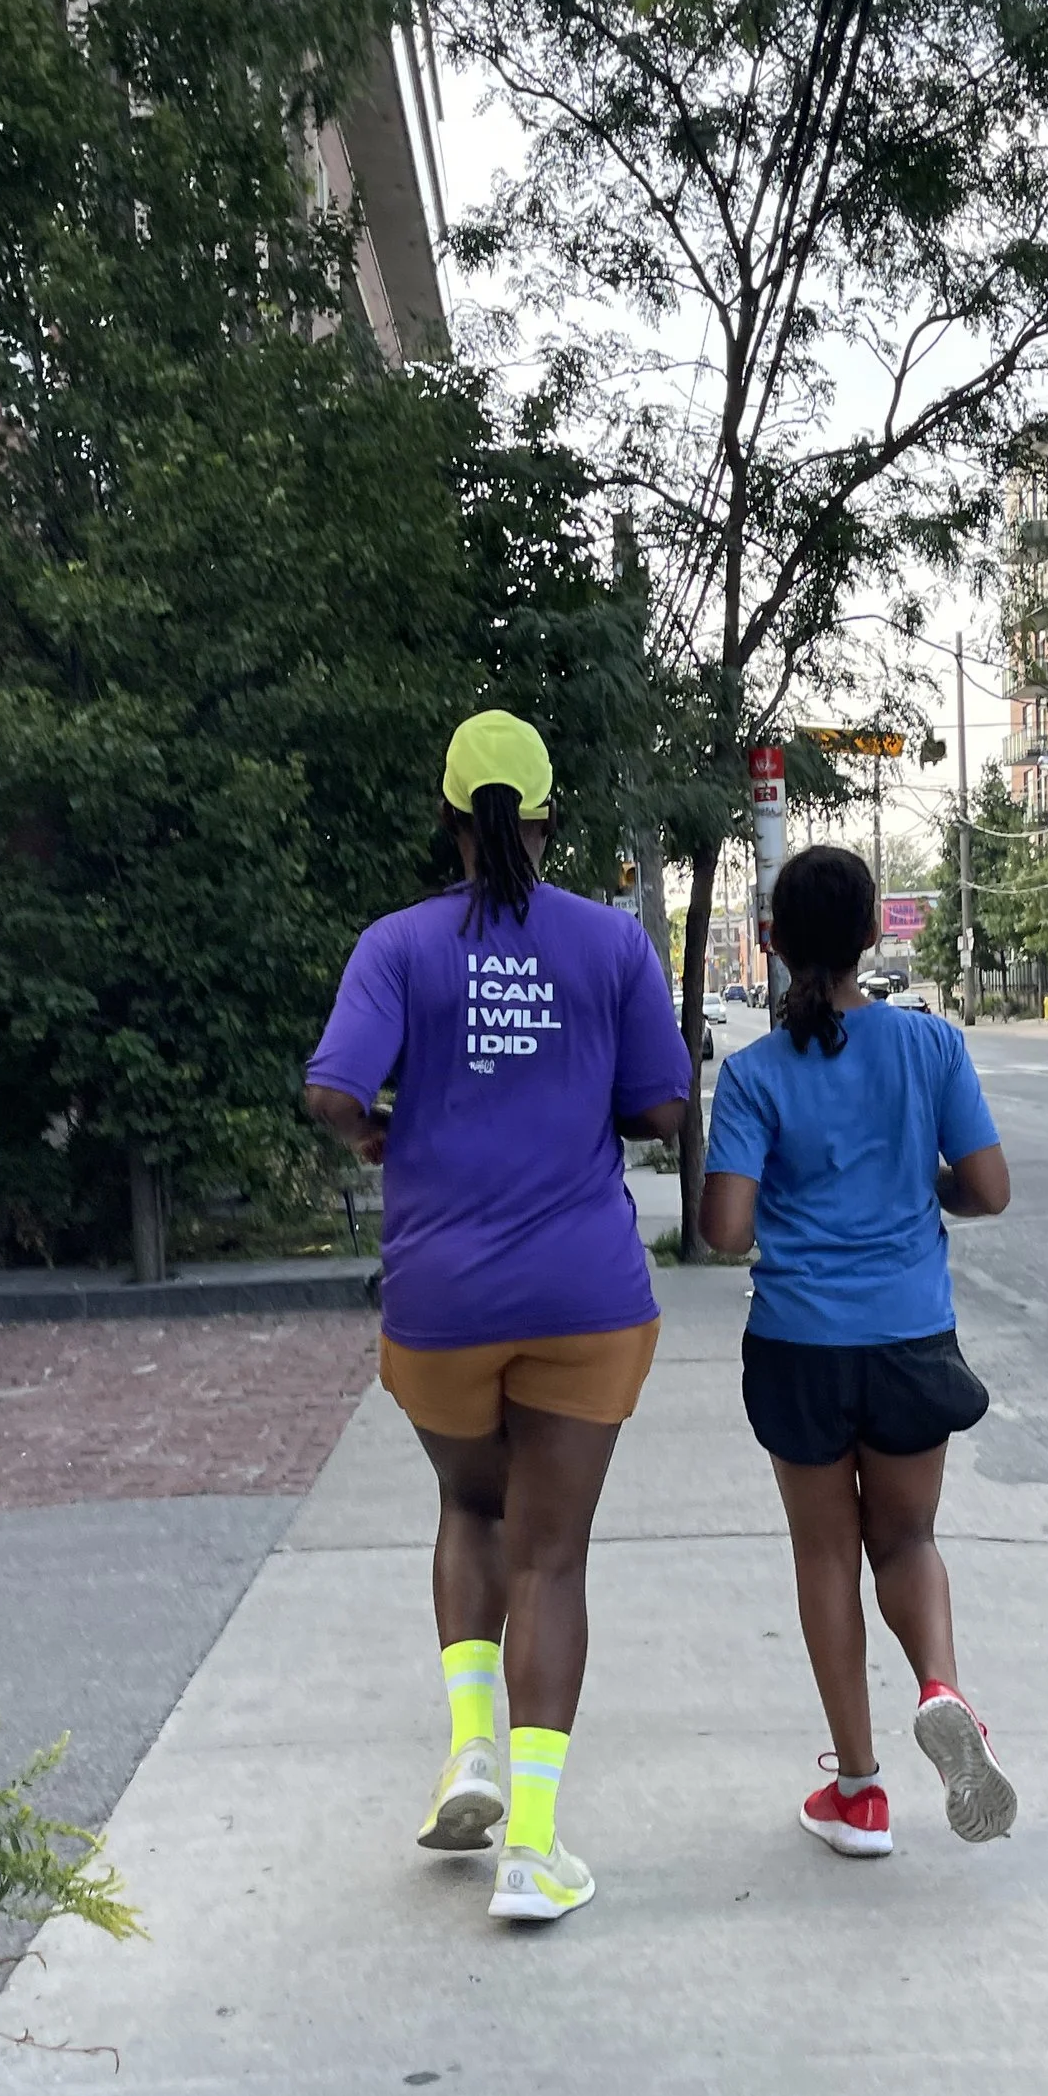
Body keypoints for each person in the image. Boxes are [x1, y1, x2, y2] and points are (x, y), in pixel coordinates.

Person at [304, 712, 692, 1925]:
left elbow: (330, 1089)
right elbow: (663, 1109)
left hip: (441, 1298)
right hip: (583, 1292)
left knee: (471, 1508)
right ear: (545, 819)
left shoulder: (397, 945)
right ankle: (531, 1846)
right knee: (552, 1556)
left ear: (448, 818)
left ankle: (469, 1746)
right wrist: (575, 1095)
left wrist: (374, 1129)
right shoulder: (611, 941)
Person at [701, 844, 1014, 1856]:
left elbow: (725, 1230)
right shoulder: (932, 1048)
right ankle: (942, 1689)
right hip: (910, 1335)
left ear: (773, 941)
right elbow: (989, 1188)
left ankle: (861, 1792)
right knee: (909, 1540)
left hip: (800, 1343)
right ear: (875, 933)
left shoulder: (753, 1075)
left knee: (826, 1555)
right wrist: (924, 1185)